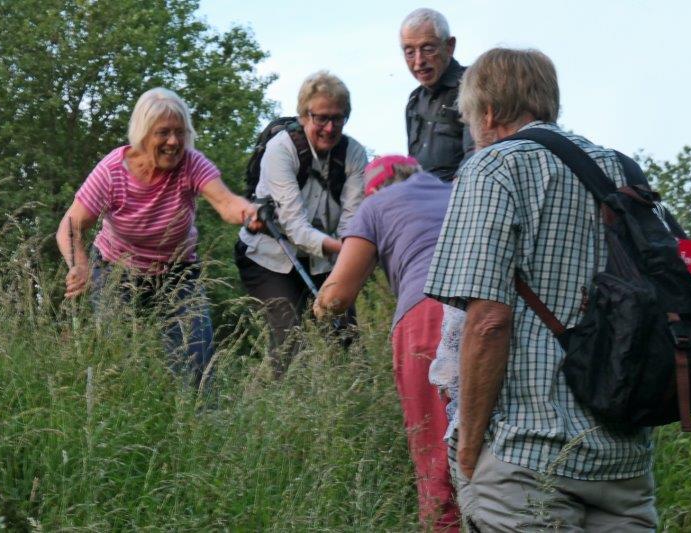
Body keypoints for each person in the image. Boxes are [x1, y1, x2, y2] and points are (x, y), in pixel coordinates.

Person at [424, 48, 658, 531]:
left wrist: (468, 449)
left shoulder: (493, 168)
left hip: (527, 457)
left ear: (487, 112)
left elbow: (488, 322)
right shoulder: (624, 172)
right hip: (624, 460)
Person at [56, 87, 261, 389]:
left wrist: (251, 213)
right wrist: (81, 266)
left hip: (178, 274)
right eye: (163, 133)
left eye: (180, 133)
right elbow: (70, 227)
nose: (173, 142)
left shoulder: (191, 164)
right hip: (116, 271)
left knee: (197, 365)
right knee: (116, 363)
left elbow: (227, 203)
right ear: (142, 133)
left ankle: (200, 425)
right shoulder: (113, 171)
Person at [312, 155, 460, 532]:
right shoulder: (456, 190)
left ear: (375, 187)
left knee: (436, 455)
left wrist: (320, 306)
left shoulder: (375, 205)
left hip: (426, 318)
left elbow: (336, 298)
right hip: (492, 311)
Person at [234, 71, 368, 378]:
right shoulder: (281, 149)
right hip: (269, 257)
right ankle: (280, 411)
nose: (330, 127)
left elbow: (353, 221)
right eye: (321, 118)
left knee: (347, 342)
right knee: (290, 342)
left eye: (338, 118)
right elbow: (294, 226)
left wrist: (350, 253)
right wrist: (350, 252)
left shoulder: (355, 154)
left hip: (325, 261)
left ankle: (352, 408)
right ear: (303, 115)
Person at [400, 8, 473, 180]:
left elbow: (477, 153)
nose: (418, 62)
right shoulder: (414, 101)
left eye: (428, 48)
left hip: (461, 198)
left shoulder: (472, 87)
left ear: (449, 46)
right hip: (420, 200)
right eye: (410, 52)